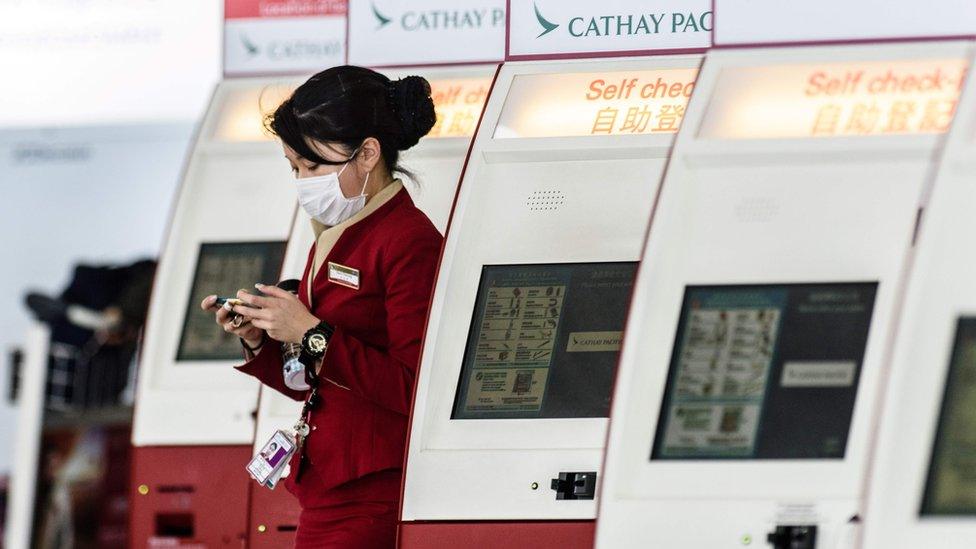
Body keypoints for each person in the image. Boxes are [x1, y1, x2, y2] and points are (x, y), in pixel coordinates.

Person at [200, 66, 442, 548]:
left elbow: (417, 389)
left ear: (368, 153)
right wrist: (262, 335)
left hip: (373, 489)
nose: (303, 181)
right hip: (326, 482)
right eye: (294, 168)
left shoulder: (407, 240)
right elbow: (318, 380)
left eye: (312, 166)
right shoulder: (337, 236)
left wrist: (311, 331)